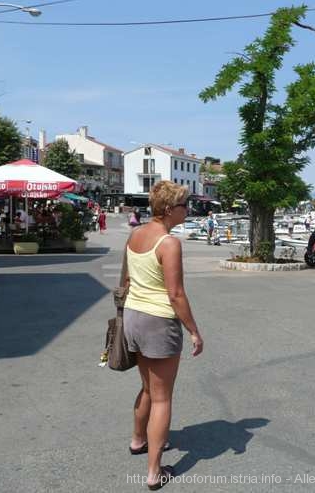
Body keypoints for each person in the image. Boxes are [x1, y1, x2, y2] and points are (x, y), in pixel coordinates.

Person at [124, 181, 204, 489]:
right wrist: (194, 331)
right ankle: (155, 472)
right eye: (185, 205)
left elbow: (129, 278)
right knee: (162, 398)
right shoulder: (169, 243)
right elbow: (176, 294)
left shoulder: (135, 234)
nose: (189, 210)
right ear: (170, 210)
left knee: (147, 388)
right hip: (158, 322)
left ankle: (137, 440)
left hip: (133, 317)